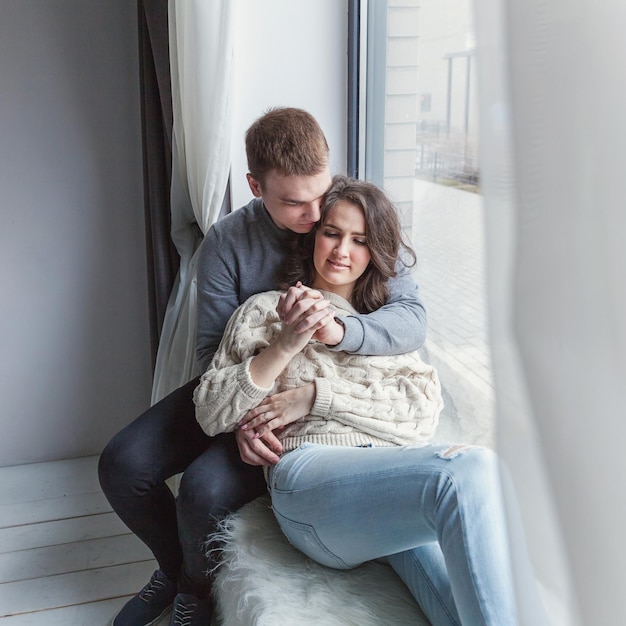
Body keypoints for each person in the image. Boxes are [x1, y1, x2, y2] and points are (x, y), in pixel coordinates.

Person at [98, 108, 428, 626]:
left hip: (306, 396)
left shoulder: (351, 215)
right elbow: (212, 357)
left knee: (203, 489)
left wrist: (339, 333)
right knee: (122, 464)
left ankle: (193, 590)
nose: (317, 214)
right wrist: (244, 423)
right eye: (295, 204)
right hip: (240, 378)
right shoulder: (227, 243)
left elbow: (411, 318)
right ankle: (175, 568)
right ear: (255, 186)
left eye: (321, 194)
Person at [194, 175, 546, 625]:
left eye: (360, 241)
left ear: (376, 252)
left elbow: (421, 410)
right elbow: (209, 411)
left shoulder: (383, 328)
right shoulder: (264, 309)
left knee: (467, 607)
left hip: (386, 484)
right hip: (308, 481)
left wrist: (317, 397)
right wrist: (285, 345)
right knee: (468, 471)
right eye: (332, 233)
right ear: (314, 235)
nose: (342, 251)